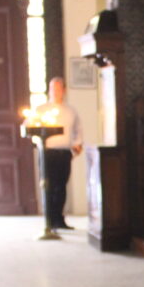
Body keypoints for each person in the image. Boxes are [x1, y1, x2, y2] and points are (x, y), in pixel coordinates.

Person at [36, 77, 83, 230]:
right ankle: (49, 220)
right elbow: (30, 126)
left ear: (64, 90)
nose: (55, 92)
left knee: (61, 186)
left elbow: (78, 130)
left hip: (64, 153)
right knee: (48, 185)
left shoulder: (70, 111)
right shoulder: (41, 110)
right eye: (52, 89)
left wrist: (77, 144)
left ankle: (59, 219)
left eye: (58, 89)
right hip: (47, 153)